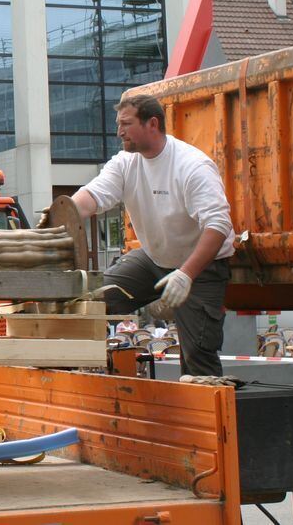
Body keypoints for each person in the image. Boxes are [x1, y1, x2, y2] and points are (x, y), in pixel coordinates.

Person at [71, 94, 234, 377]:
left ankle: (208, 413)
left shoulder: (192, 166)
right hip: (154, 258)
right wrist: (63, 213)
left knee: (198, 355)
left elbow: (218, 225)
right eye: (118, 124)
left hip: (201, 267)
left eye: (126, 124)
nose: (119, 131)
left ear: (152, 124)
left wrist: (186, 274)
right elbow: (94, 196)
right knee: (92, 299)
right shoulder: (126, 163)